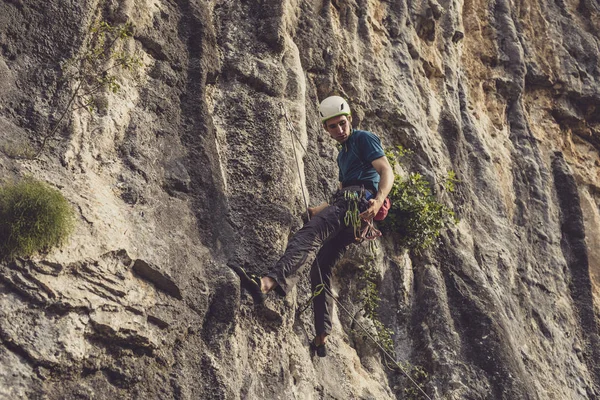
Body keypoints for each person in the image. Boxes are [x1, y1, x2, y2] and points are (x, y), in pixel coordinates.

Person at [232, 96, 394, 357]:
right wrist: (316, 210)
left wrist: (379, 199)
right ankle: (322, 336)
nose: (339, 130)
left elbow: (386, 170)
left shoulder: (364, 138)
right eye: (333, 126)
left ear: (349, 119)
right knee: (320, 268)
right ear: (325, 128)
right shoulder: (343, 155)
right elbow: (341, 192)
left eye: (342, 123)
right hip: (350, 213)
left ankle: (267, 283)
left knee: (309, 235)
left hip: (358, 205)